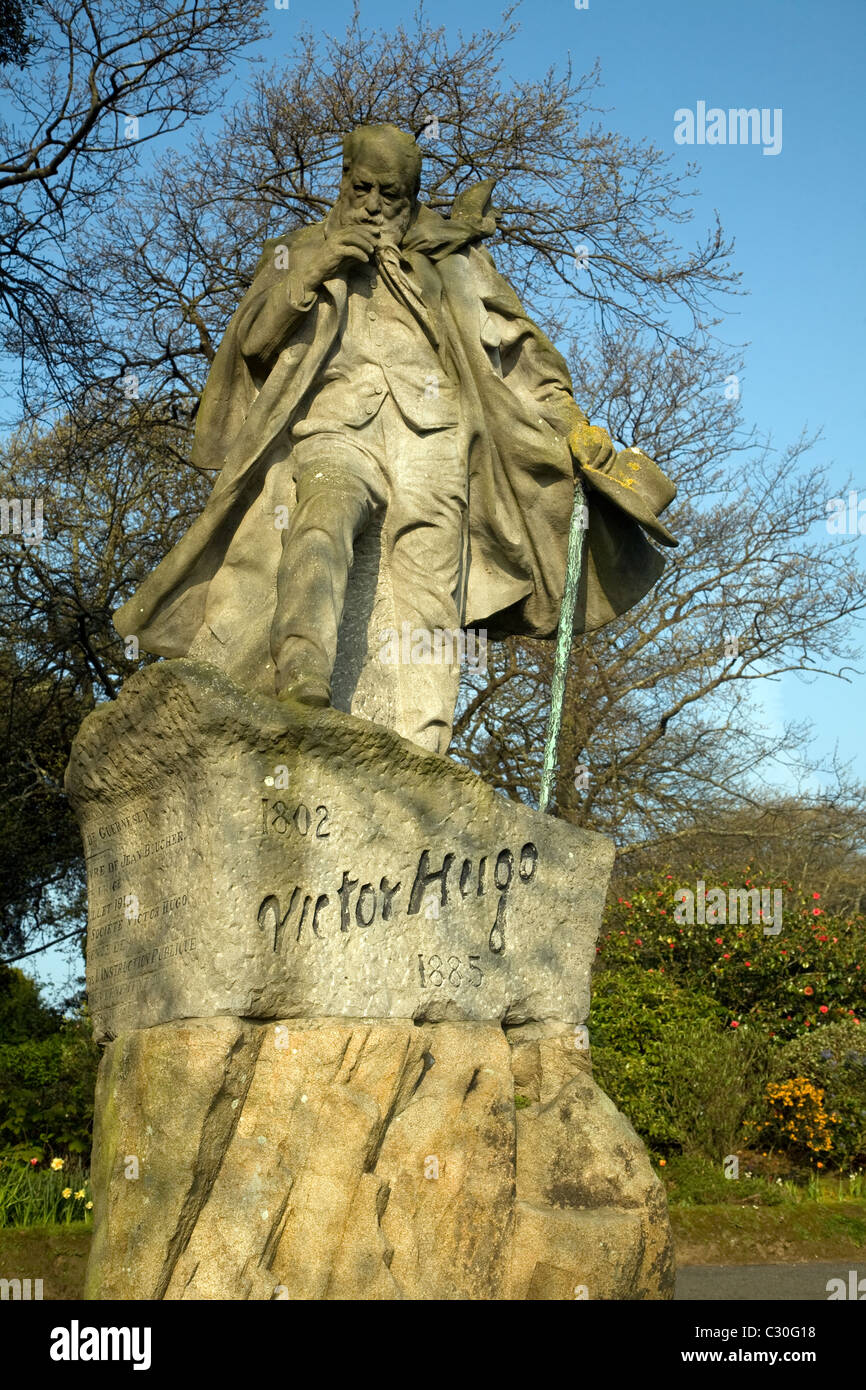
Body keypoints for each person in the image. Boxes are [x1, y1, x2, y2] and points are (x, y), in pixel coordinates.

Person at [115, 123, 677, 753]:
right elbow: (254, 344)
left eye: (394, 194)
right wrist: (322, 264)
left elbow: (520, 354)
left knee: (432, 584)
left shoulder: (455, 262)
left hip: (435, 437)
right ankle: (301, 675)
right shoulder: (297, 247)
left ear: (413, 196)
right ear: (343, 179)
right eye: (364, 187)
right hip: (336, 421)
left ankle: (423, 743)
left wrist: (572, 425)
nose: (376, 204)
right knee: (322, 519)